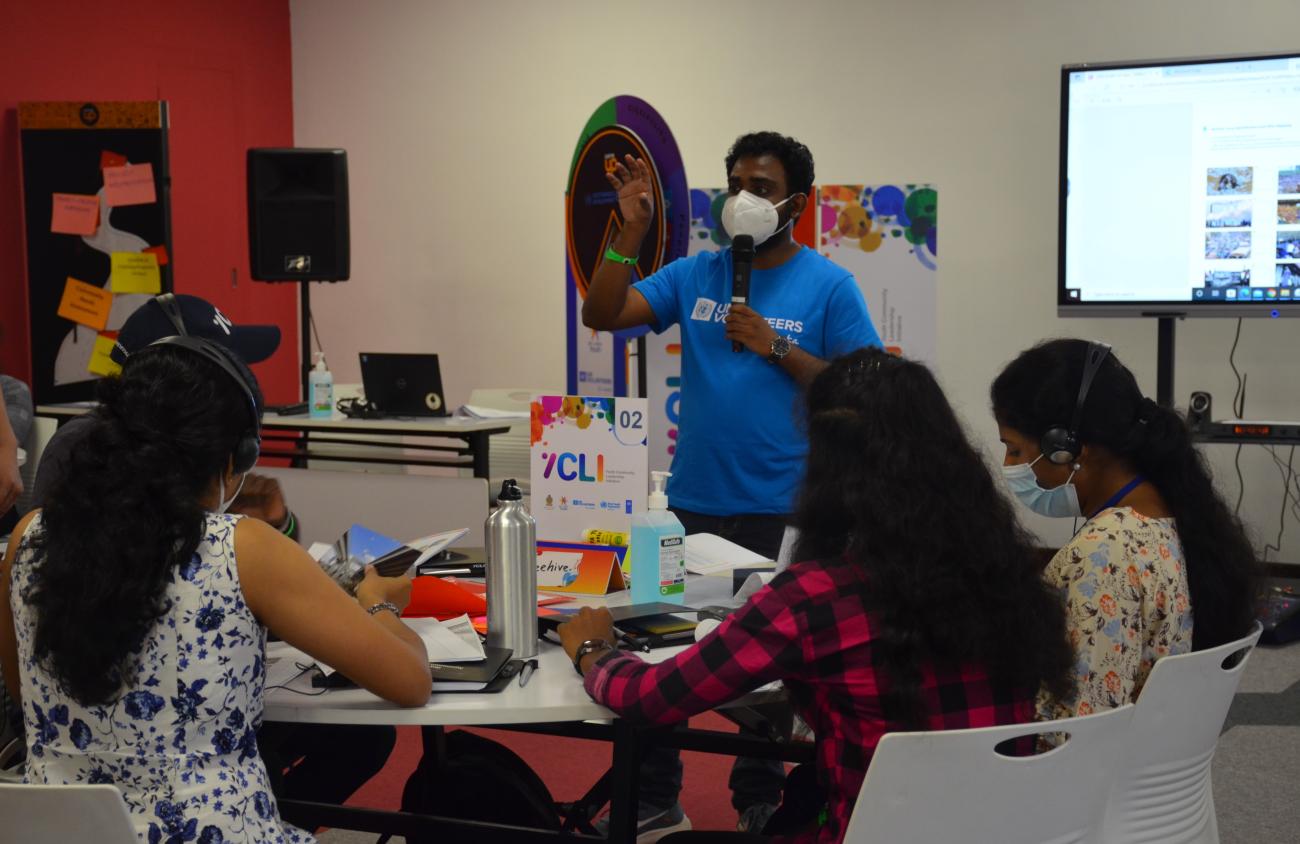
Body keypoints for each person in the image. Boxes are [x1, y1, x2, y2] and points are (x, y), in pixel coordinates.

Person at [558, 348, 1075, 844]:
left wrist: (594, 651)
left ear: (831, 468)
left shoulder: (819, 596)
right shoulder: (1005, 575)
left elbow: (651, 698)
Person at [0, 336, 431, 843]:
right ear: (236, 455)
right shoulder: (241, 548)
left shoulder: (29, 537)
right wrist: (377, 603)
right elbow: (411, 680)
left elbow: (22, 688)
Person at [582, 131, 881, 836]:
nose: (745, 199)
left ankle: (760, 797)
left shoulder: (829, 285)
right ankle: (656, 795)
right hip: (688, 507)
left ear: (797, 204)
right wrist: (629, 233)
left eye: (764, 187)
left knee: (774, 676)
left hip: (784, 511)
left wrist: (777, 346)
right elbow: (603, 314)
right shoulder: (696, 273)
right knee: (661, 648)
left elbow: (868, 388)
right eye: (737, 184)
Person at [991, 339, 1260, 721]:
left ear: (1068, 448)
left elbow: (1074, 732)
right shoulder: (1181, 515)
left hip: (1094, 775)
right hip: (1154, 764)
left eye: (1015, 449)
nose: (1009, 466)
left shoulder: (1103, 555)